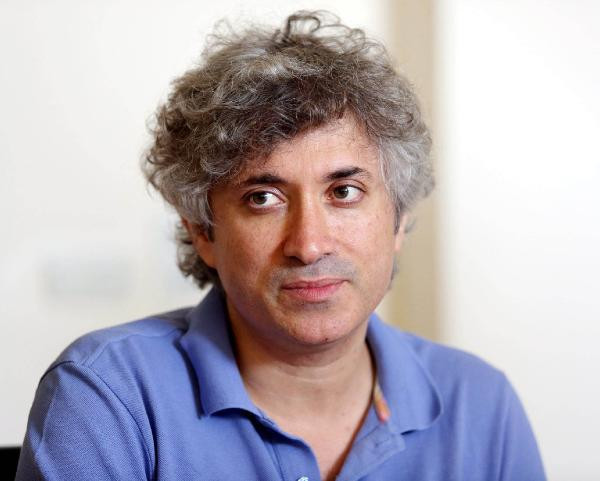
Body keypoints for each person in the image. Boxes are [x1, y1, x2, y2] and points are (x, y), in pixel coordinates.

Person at [16, 11, 545, 481]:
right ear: (203, 232)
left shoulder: (481, 405)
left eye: (344, 191)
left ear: (399, 220)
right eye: (263, 198)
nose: (309, 245)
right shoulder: (107, 394)